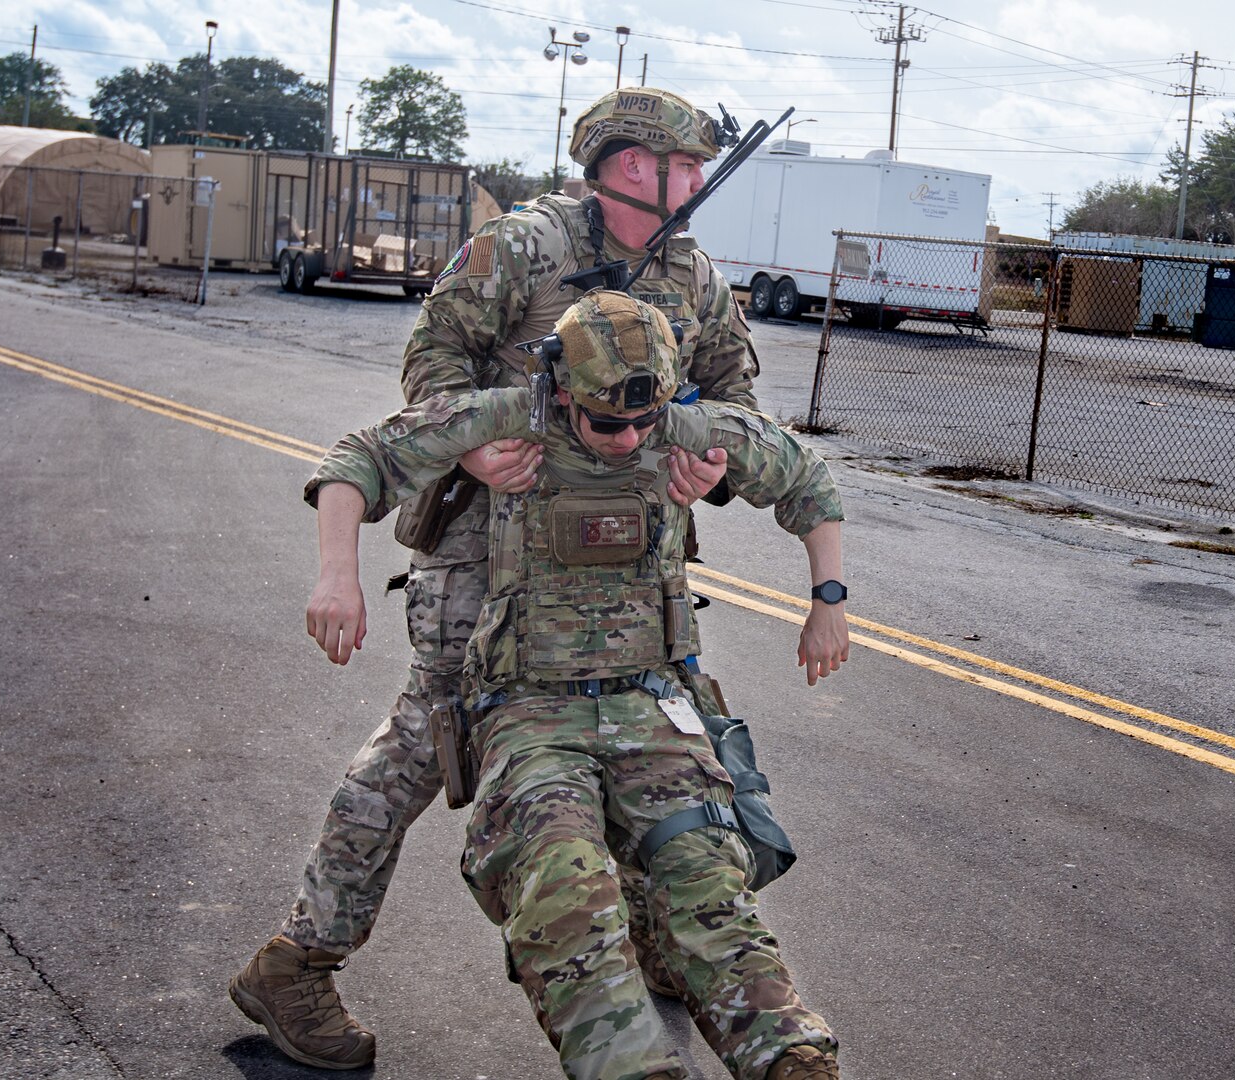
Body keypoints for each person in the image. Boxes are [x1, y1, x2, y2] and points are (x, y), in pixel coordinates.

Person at [231, 87, 765, 1070]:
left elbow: (733, 394)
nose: (690, 184)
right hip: (484, 554)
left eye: (697, 168)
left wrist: (714, 459)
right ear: (620, 163)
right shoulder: (520, 247)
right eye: (673, 165)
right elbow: (432, 359)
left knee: (643, 740)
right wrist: (473, 453)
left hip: (619, 565)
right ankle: (298, 963)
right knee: (428, 746)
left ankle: (660, 949)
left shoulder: (696, 276)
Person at [296, 290, 847, 1080]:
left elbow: (806, 478)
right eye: (605, 424)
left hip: (649, 700)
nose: (627, 441)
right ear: (560, 390)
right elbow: (354, 461)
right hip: (529, 706)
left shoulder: (684, 428)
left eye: (642, 423)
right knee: (563, 876)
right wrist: (337, 578)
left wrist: (828, 600)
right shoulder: (504, 417)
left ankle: (793, 1059)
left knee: (705, 869)